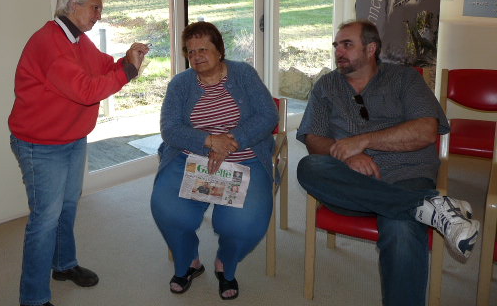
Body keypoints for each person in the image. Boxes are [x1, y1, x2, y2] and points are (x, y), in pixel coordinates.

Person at [296, 20, 480, 306]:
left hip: (408, 174)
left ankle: (415, 206)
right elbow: (313, 138)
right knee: (308, 167)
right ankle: (426, 206)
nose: (338, 51)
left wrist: (364, 141)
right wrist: (347, 153)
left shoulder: (405, 79)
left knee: (401, 228)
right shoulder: (327, 85)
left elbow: (426, 130)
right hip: (350, 182)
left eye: (347, 44)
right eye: (336, 45)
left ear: (371, 49)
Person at [8, 0, 149, 306]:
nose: (99, 14)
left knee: (67, 207)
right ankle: (32, 298)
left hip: (70, 138)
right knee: (45, 219)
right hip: (40, 145)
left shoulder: (76, 40)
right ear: (73, 5)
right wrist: (126, 71)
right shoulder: (50, 43)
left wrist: (127, 61)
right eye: (95, 7)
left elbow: (103, 68)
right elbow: (86, 90)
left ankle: (63, 264)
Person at [150, 21, 278, 301]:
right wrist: (209, 141)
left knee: (244, 224)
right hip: (191, 159)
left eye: (203, 49)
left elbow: (268, 115)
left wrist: (231, 140)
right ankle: (189, 263)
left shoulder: (243, 74)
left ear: (220, 50)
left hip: (244, 159)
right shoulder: (180, 84)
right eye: (190, 51)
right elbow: (169, 129)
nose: (196, 56)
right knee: (168, 210)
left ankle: (226, 263)